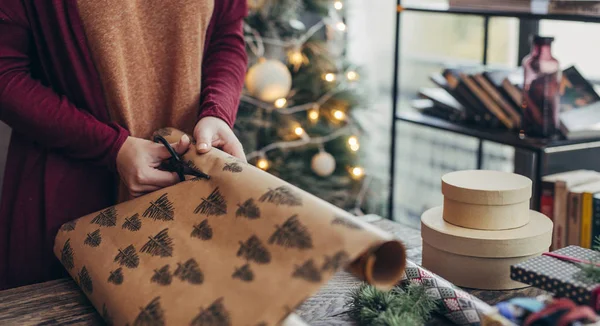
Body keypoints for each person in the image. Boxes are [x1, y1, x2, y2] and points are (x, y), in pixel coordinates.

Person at [0, 0, 248, 290]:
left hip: (189, 193)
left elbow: (226, 36)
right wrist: (110, 148)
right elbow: (5, 72)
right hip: (71, 198)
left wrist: (218, 112)